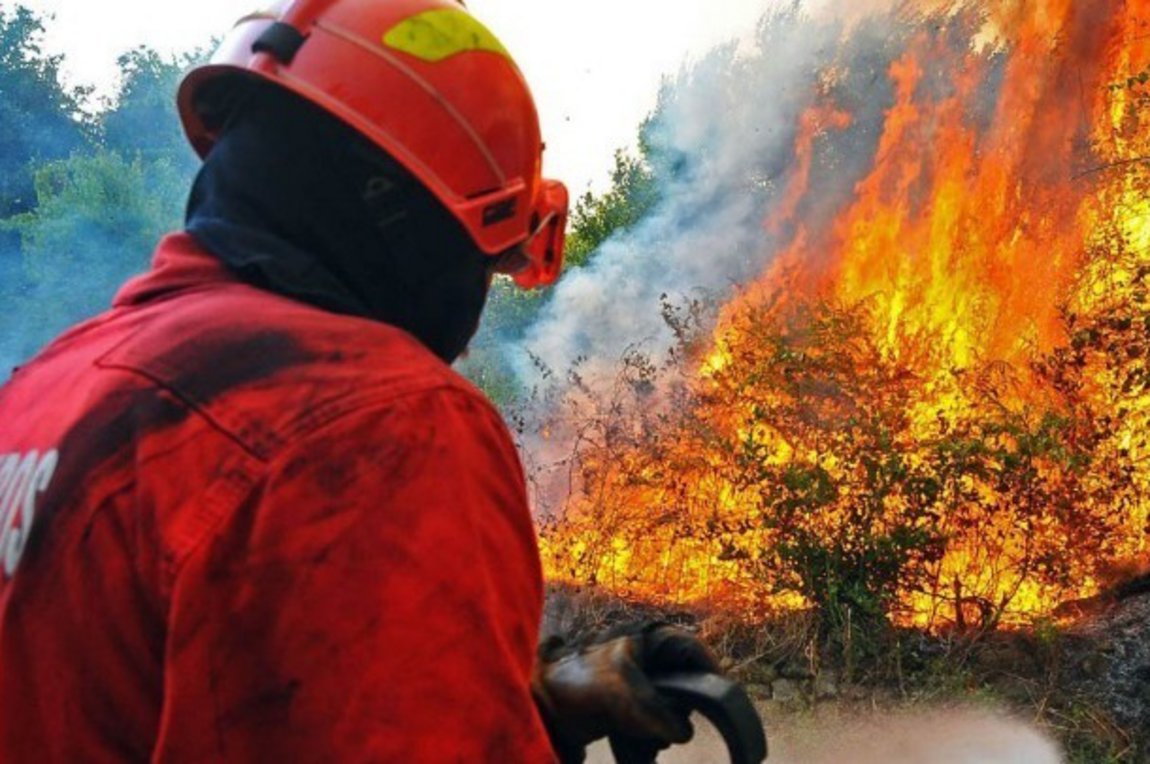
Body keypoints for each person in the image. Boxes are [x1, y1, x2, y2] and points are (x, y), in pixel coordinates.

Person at [0, 1, 719, 761]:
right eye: (488, 252)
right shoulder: (379, 425)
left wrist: (519, 699)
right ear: (396, 209)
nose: (477, 305)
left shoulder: (46, 387)